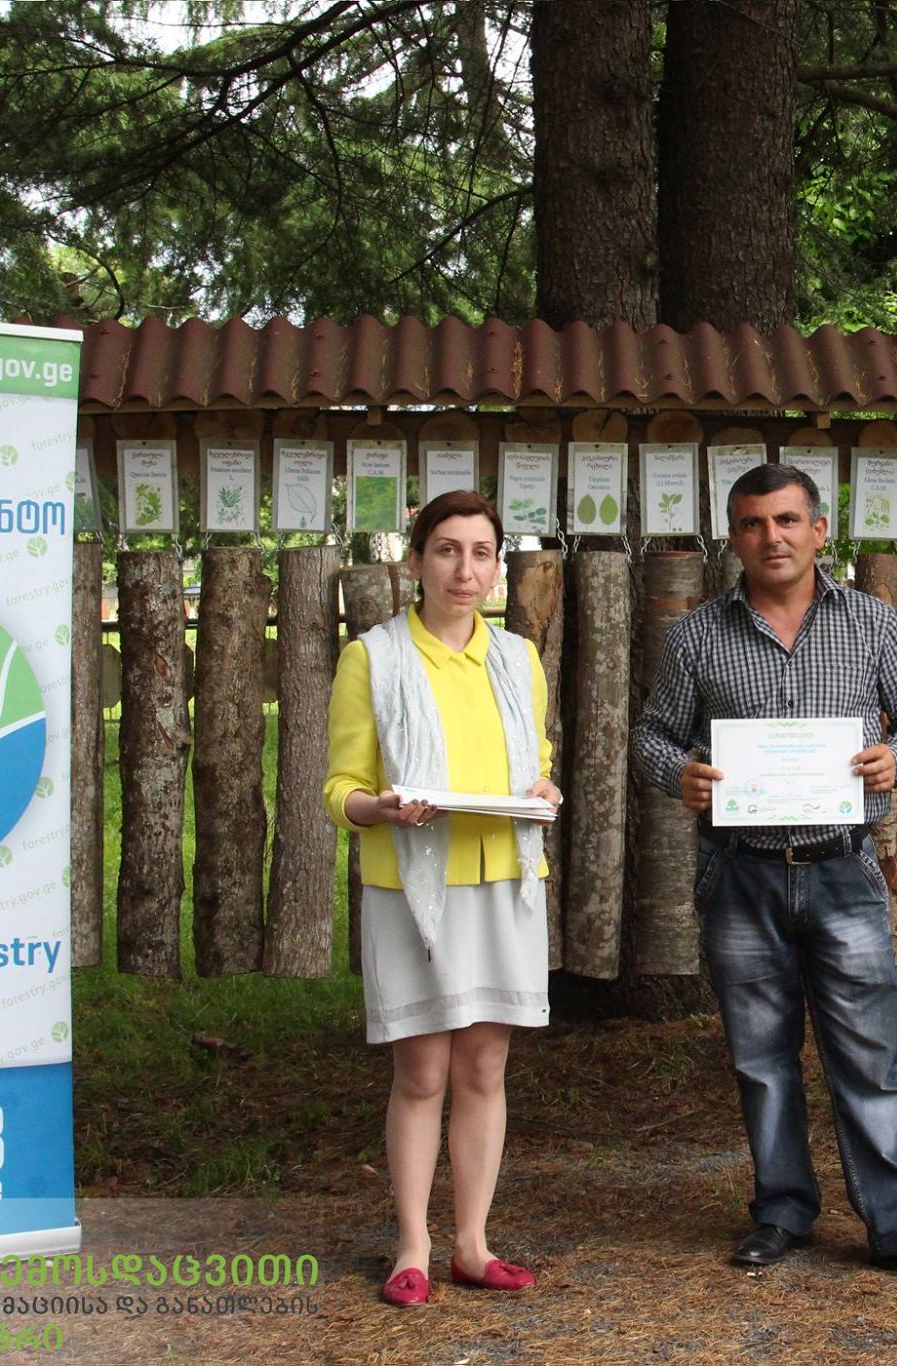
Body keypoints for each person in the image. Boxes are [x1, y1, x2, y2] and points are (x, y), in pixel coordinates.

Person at [634, 463, 897, 1290]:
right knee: (761, 1059)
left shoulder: (870, 623)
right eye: (754, 523)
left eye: (788, 520)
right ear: (734, 536)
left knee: (869, 1058)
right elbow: (651, 734)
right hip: (741, 874)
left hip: (842, 868)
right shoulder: (697, 635)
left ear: (819, 530)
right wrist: (679, 773)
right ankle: (783, 1212)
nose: (772, 537)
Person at [323, 490, 563, 1307]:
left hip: (502, 881)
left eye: (482, 552)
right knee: (423, 1071)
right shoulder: (374, 658)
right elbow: (340, 790)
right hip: (413, 890)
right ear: (417, 560)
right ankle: (413, 1247)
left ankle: (473, 1244)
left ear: (498, 567)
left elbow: (535, 764)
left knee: (485, 1067)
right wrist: (381, 808)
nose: (466, 569)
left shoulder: (517, 659)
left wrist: (543, 790)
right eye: (448, 550)